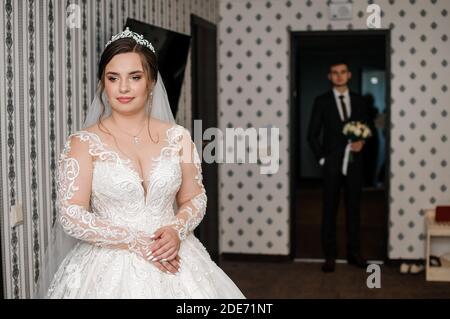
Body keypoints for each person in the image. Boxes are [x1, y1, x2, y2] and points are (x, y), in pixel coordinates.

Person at [36, 28, 245, 298]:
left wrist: (176, 229)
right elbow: (71, 215)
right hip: (107, 266)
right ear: (103, 83)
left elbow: (195, 197)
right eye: (113, 78)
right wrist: (137, 241)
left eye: (134, 77)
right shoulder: (84, 143)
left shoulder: (178, 138)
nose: (123, 88)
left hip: (177, 256)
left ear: (151, 82)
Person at [307, 61, 369, 273]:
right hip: (331, 164)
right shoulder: (322, 101)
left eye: (343, 72)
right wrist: (323, 159)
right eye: (335, 73)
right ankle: (330, 256)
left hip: (354, 165)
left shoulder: (360, 101)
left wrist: (363, 142)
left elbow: (368, 129)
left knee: (354, 209)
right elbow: (312, 135)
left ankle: (354, 253)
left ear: (349, 75)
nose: (339, 76)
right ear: (330, 76)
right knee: (329, 209)